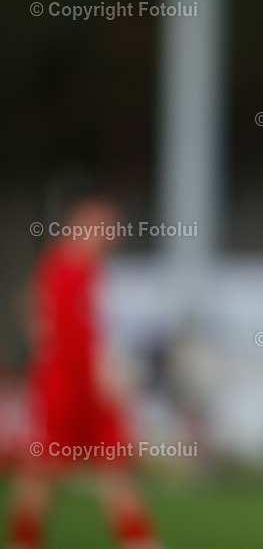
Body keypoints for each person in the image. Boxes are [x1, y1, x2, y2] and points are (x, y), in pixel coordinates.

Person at [6, 195, 159, 549]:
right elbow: (69, 332)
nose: (111, 234)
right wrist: (100, 373)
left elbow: (40, 315)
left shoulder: (85, 269)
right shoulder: (65, 268)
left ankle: (141, 541)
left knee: (114, 467)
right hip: (66, 386)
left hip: (86, 385)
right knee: (43, 469)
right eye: (104, 226)